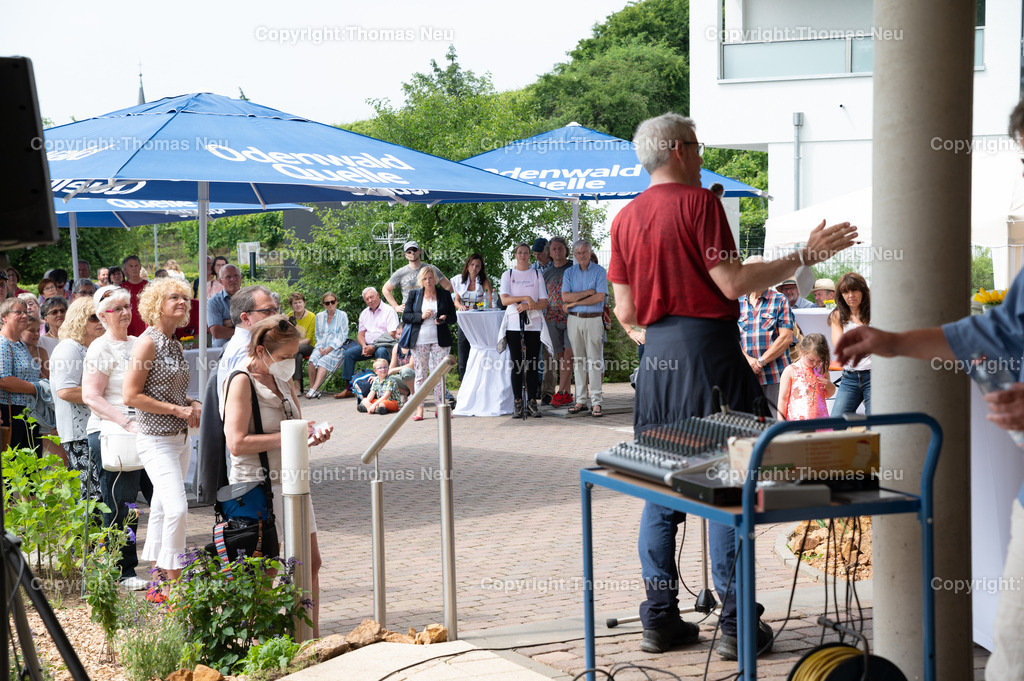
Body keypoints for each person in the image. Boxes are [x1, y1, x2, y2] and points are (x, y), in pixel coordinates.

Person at [607, 112, 855, 659]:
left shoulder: (623, 220)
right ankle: (737, 626)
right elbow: (733, 282)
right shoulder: (701, 205)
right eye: (697, 146)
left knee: (660, 488)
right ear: (677, 149)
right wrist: (805, 257)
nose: (701, 155)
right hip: (709, 356)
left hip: (658, 363)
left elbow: (625, 311)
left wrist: (664, 336)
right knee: (728, 487)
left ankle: (660, 619)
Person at [222, 315, 332, 636]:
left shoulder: (280, 379)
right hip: (256, 486)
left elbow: (296, 423)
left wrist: (312, 433)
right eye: (284, 358)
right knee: (265, 570)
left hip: (293, 481)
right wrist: (292, 435)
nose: (290, 365)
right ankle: (265, 643)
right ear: (261, 351)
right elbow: (236, 443)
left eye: (294, 358)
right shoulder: (242, 380)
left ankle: (309, 637)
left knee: (311, 563)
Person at [123, 277, 201, 593]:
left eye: (185, 297)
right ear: (157, 303)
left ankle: (156, 580)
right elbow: (130, 396)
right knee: (178, 509)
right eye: (174, 297)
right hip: (155, 439)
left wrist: (191, 402)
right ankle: (174, 583)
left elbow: (172, 392)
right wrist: (177, 411)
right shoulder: (147, 342)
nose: (182, 302)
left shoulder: (175, 343)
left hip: (180, 439)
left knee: (161, 508)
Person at [82, 286, 147, 591]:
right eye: (116, 308)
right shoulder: (100, 348)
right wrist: (125, 421)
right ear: (101, 315)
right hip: (111, 431)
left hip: (140, 429)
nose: (124, 312)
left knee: (135, 500)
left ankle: (148, 562)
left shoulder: (138, 343)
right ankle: (122, 570)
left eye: (127, 306)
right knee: (120, 501)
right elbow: (91, 396)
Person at [50, 296, 105, 499]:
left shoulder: (91, 347)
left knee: (98, 493)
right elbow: (65, 391)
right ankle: (87, 532)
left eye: (101, 316)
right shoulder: (69, 348)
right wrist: (104, 397)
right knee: (93, 495)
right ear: (79, 320)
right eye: (93, 317)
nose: (100, 322)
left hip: (95, 430)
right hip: (79, 434)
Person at [739, 256, 794, 418]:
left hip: (775, 375)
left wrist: (761, 362)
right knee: (749, 421)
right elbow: (732, 337)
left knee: (776, 421)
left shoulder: (779, 300)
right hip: (747, 373)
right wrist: (749, 360)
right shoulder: (738, 302)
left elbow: (786, 338)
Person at [500, 243, 549, 419]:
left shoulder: (537, 274)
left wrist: (529, 305)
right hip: (514, 325)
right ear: (515, 255)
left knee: (532, 364)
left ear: (530, 256)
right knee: (517, 364)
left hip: (533, 325)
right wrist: (524, 298)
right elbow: (504, 300)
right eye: (520, 252)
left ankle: (532, 402)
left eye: (526, 253)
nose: (523, 255)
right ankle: (518, 402)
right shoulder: (508, 274)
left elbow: (544, 301)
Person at [401, 267, 456, 420]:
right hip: (420, 340)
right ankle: (419, 408)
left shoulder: (444, 294)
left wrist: (444, 317)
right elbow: (406, 316)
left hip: (440, 339)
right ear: (421, 281)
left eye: (431, 278)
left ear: (435, 279)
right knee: (420, 375)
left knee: (439, 374)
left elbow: (454, 317)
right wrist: (421, 316)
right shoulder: (414, 294)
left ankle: (441, 406)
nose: (428, 281)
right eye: (425, 279)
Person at [562, 239, 609, 417]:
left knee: (595, 361)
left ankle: (596, 402)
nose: (581, 255)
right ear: (574, 255)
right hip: (574, 320)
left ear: (590, 253)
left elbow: (599, 298)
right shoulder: (569, 272)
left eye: (584, 252)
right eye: (578, 253)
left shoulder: (599, 271)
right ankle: (580, 400)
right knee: (579, 361)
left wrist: (575, 301)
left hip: (594, 319)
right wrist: (588, 292)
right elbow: (565, 297)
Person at [335, 287, 399, 400]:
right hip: (367, 345)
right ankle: (349, 388)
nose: (370, 300)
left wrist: (373, 347)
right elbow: (361, 334)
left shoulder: (389, 311)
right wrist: (364, 346)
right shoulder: (364, 313)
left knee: (381, 351)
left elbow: (392, 334)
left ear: (378, 295)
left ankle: (383, 386)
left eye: (372, 297)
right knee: (349, 353)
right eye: (367, 299)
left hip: (385, 346)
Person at [0, 298, 43, 453]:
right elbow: (4, 380)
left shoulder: (20, 344)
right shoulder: (3, 343)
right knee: (14, 469)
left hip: (29, 413)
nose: (24, 316)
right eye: (18, 312)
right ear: (4, 317)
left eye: (25, 312)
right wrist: (37, 387)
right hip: (11, 414)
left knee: (32, 469)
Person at [828, 272, 871, 416]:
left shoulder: (876, 312)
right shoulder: (837, 315)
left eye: (854, 290)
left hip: (875, 375)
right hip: (850, 377)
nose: (850, 295)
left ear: (863, 291)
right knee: (836, 423)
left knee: (876, 425)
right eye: (845, 291)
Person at [541, 237, 574, 407]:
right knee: (560, 356)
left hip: (571, 317)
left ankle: (560, 393)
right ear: (550, 253)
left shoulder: (573, 268)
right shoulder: (546, 273)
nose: (557, 251)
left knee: (569, 355)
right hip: (552, 318)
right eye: (554, 249)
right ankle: (567, 393)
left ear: (565, 250)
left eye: (560, 248)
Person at [451, 254, 493, 381]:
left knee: (479, 350)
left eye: (477, 266)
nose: (474, 268)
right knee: (463, 350)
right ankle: (464, 381)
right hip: (464, 320)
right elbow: (456, 301)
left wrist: (476, 306)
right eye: (472, 265)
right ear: (468, 266)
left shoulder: (484, 281)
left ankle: (480, 380)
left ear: (481, 268)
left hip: (479, 320)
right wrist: (461, 306)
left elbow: (489, 302)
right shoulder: (460, 280)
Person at [382, 240, 451, 314]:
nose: (412, 253)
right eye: (409, 251)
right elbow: (385, 289)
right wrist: (396, 306)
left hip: (429, 310)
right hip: (409, 312)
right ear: (405, 254)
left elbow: (448, 286)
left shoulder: (431, 269)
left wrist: (440, 302)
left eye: (414, 250)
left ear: (419, 251)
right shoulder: (401, 273)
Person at [777, 333, 834, 420]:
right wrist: (781, 422)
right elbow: (782, 399)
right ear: (802, 352)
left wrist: (831, 387)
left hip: (820, 420)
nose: (815, 364)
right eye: (811, 360)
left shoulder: (822, 369)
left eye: (819, 360)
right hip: (796, 421)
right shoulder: (791, 370)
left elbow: (827, 395)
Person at [305, 292, 349, 398]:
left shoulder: (342, 315)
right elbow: (318, 335)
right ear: (324, 304)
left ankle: (314, 389)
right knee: (312, 360)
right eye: (327, 303)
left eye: (332, 302)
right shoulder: (319, 316)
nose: (330, 305)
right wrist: (320, 348)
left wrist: (329, 348)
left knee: (322, 362)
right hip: (321, 347)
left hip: (336, 348)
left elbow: (343, 336)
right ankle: (314, 389)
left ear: (336, 302)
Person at [207, 264, 242, 348]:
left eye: (236, 276)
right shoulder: (213, 302)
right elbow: (217, 333)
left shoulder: (251, 299)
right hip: (223, 354)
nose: (233, 279)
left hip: (247, 351)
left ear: (241, 278)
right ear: (220, 281)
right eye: (228, 277)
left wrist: (231, 323)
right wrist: (246, 326)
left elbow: (258, 324)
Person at [288, 292, 316, 394]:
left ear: (304, 303)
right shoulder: (289, 317)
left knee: (295, 351)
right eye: (295, 303)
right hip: (295, 349)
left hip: (309, 346)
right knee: (297, 355)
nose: (298, 305)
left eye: (300, 302)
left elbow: (308, 339)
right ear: (291, 306)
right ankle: (297, 387)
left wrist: (293, 345)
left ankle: (297, 387)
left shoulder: (311, 316)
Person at [120, 255, 149, 338]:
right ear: (126, 268)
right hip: (127, 329)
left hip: (146, 328)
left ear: (140, 267)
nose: (134, 268)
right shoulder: (120, 289)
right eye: (131, 266)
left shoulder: (149, 287)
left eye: (136, 266)